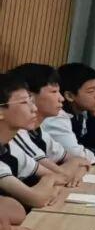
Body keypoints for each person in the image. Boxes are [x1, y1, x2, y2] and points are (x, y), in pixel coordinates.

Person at [8, 63, 93, 186]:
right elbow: (60, 176)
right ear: (29, 96)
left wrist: (77, 167)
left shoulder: (39, 131)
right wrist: (72, 169)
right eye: (54, 91)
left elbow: (80, 160)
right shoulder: (17, 134)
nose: (61, 98)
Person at [0, 73, 67, 210]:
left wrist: (49, 185)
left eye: (31, 101)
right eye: (24, 102)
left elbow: (61, 178)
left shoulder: (9, 146)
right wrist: (49, 181)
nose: (34, 108)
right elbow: (36, 198)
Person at [45, 63, 95, 161]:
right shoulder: (57, 117)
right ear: (69, 96)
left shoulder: (81, 115)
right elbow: (76, 155)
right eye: (91, 91)